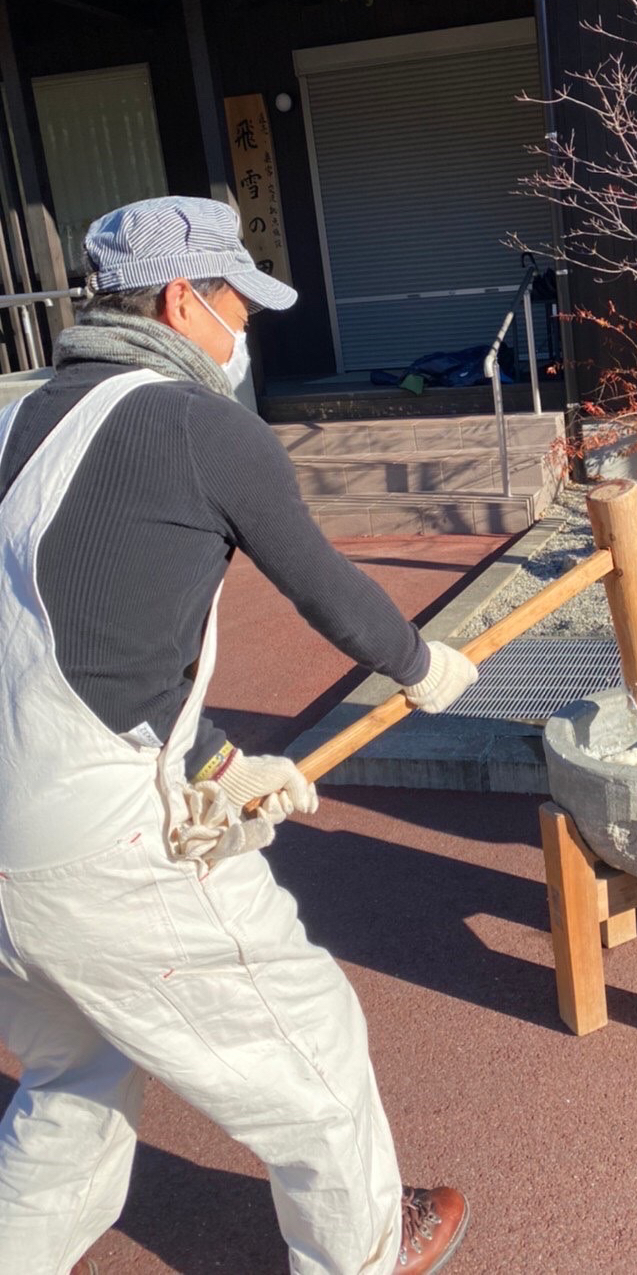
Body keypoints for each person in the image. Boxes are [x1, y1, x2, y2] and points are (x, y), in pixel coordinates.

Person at [0, 197, 479, 1274]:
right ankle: (360, 1247)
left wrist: (214, 761)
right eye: (236, 305)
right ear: (182, 301)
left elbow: (76, 636)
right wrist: (425, 662)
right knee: (308, 1046)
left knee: (72, 1075)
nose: (245, 330)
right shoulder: (195, 421)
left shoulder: (16, 419)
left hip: (9, 836)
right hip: (93, 846)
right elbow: (331, 591)